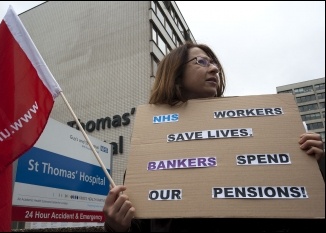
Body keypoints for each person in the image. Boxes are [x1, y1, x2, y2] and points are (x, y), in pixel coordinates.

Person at [103, 41, 325, 232]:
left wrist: (311, 165)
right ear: (176, 76)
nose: (215, 69)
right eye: (202, 62)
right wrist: (117, 226)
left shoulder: (256, 132)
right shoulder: (146, 157)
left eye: (214, 63)